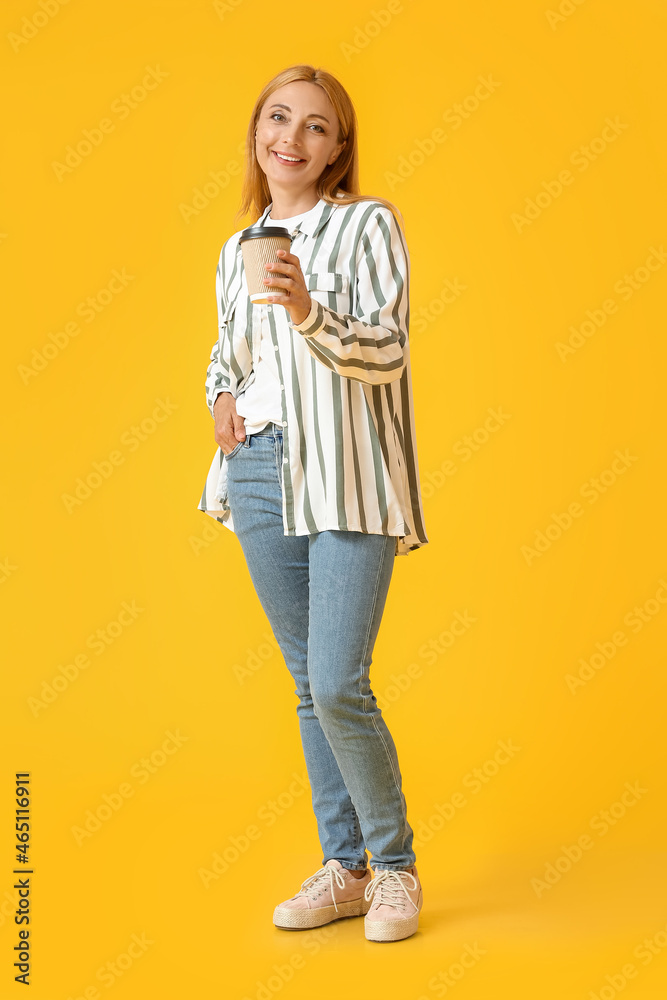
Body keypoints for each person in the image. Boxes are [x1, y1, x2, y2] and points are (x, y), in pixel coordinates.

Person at [197, 64, 429, 942]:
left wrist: (306, 312)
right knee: (307, 685)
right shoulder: (236, 246)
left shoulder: (365, 224)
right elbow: (227, 351)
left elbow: (387, 353)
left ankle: (394, 867)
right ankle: (346, 869)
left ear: (337, 151)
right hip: (256, 470)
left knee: (339, 682)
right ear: (258, 131)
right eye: (277, 118)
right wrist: (218, 396)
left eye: (316, 127)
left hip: (347, 471)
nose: (290, 137)